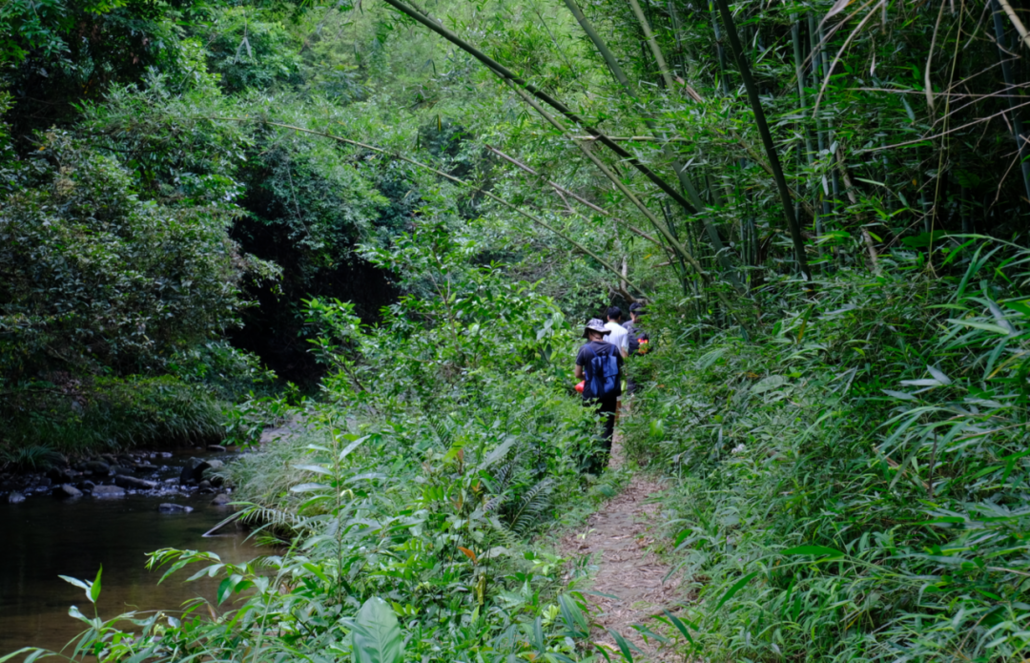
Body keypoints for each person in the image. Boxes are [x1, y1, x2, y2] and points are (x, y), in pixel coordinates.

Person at [575, 319, 623, 474]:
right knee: (607, 426)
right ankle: (603, 463)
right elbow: (620, 371)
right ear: (602, 333)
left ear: (589, 333)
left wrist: (588, 374)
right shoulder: (614, 349)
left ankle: (590, 462)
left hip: (591, 394)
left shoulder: (585, 350)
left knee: (590, 425)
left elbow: (577, 374)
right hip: (609, 394)